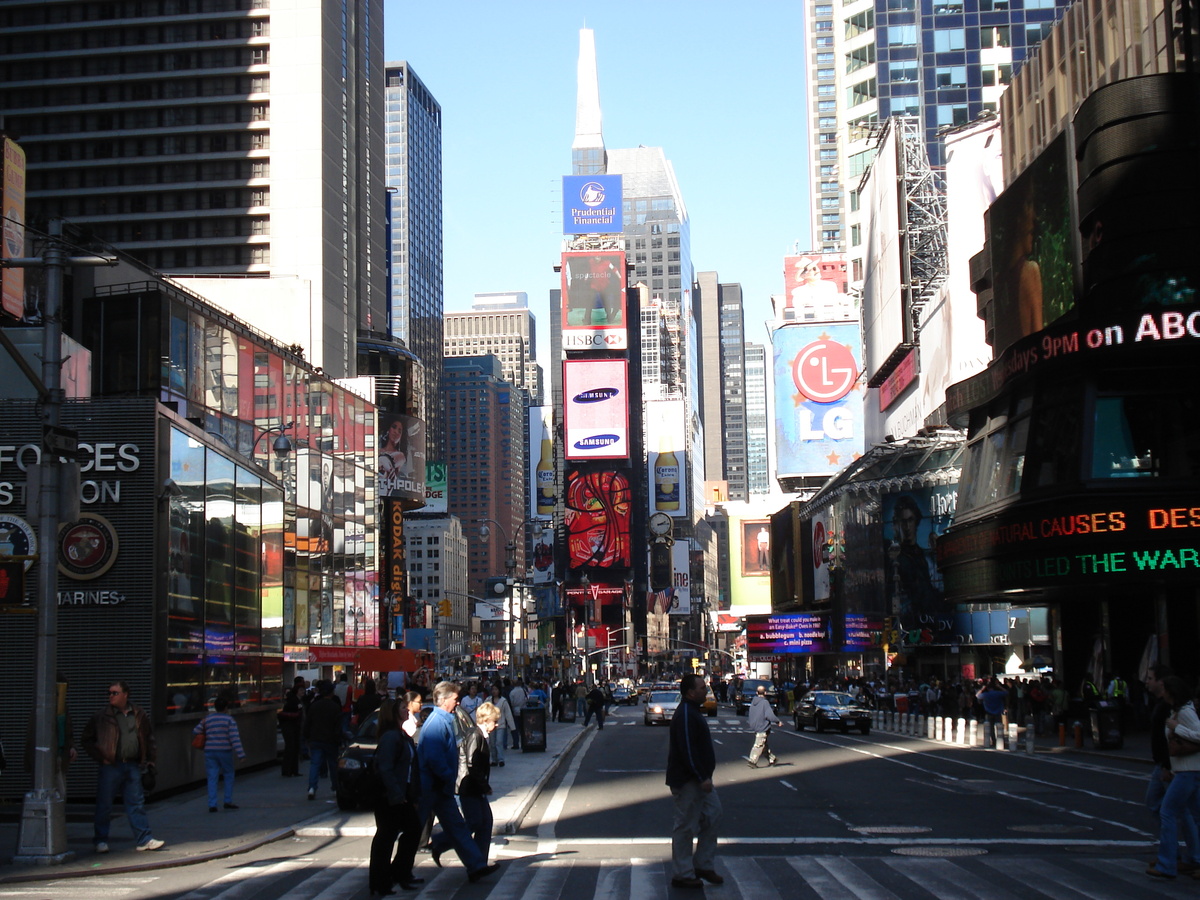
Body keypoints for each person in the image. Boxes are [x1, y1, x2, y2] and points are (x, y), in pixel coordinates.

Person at [416, 682, 499, 884]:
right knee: (415, 829)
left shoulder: (445, 720)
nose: (458, 702)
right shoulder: (437, 723)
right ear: (444, 700)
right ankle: (400, 868)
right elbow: (434, 758)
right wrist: (447, 776)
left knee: (458, 827)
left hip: (441, 787)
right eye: (454, 699)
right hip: (433, 786)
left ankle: (476, 865)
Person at [81, 681, 165, 853]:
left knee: (136, 803)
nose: (111, 696)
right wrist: (100, 757)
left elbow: (148, 737)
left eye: (115, 693)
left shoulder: (138, 714)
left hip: (132, 763)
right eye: (109, 692)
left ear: (125, 694)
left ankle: (144, 839)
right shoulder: (102, 716)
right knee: (105, 804)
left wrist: (150, 759)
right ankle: (101, 840)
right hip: (111, 764)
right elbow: (87, 739)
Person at [665, 673, 723, 889]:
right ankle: (682, 873)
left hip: (701, 779)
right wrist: (701, 777)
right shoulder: (687, 715)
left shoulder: (692, 712)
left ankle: (703, 865)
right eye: (701, 688)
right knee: (686, 826)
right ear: (690, 692)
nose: (705, 691)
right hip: (689, 780)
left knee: (713, 815)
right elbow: (687, 749)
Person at [369, 696, 423, 895]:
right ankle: (380, 881)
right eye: (402, 707)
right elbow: (385, 768)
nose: (406, 709)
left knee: (412, 831)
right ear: (393, 713)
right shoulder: (391, 737)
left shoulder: (401, 735)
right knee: (386, 837)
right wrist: (396, 793)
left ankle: (400, 873)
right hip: (390, 797)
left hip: (403, 794)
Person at [1147, 675, 1200, 879]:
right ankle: (1192, 859)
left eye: (1165, 688)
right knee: (1193, 816)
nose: (1163, 691)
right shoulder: (1178, 711)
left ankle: (1167, 864)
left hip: (1187, 771)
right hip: (1188, 770)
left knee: (1167, 812)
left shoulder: (1185, 712)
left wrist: (1176, 727)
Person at [445, 700, 499, 869]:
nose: (496, 725)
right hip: (470, 787)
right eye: (494, 721)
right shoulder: (475, 735)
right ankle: (445, 843)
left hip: (475, 787)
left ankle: (479, 862)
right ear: (486, 720)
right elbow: (471, 763)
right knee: (475, 823)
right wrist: (485, 786)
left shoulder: (480, 735)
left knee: (485, 823)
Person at [193, 695, 246, 812]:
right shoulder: (229, 720)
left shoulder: (207, 719)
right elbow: (234, 738)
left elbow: (196, 730)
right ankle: (227, 800)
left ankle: (212, 803)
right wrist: (240, 754)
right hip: (225, 751)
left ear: (215, 707)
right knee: (228, 775)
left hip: (210, 751)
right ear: (226, 707)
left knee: (212, 777)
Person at [304, 680, 344, 801]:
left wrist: (307, 737)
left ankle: (312, 788)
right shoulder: (335, 707)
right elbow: (338, 726)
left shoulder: (314, 706)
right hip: (330, 740)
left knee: (315, 764)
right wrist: (339, 740)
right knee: (333, 765)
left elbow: (308, 723)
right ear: (331, 693)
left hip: (316, 738)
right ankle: (336, 788)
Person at [746, 684, 780, 768]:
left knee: (763, 744)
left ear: (756, 693)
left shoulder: (753, 702)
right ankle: (752, 761)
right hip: (762, 726)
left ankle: (772, 759)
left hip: (755, 726)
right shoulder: (765, 702)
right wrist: (777, 721)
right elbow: (769, 715)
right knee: (759, 745)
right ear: (765, 692)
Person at [278, 677, 306, 777]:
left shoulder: (294, 700)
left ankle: (291, 770)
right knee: (291, 747)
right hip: (291, 726)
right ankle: (289, 770)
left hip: (292, 725)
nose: (303, 692)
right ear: (297, 691)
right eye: (301, 690)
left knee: (293, 747)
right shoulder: (294, 701)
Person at [487, 684, 515, 767]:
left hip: (501, 725)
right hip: (490, 725)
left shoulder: (503, 701)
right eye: (493, 689)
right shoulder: (488, 700)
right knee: (492, 743)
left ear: (499, 690)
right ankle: (494, 760)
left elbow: (508, 714)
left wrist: (512, 726)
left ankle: (501, 759)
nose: (494, 691)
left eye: (496, 689)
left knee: (499, 742)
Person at [977, 678, 1008, 748]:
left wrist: (982, 688)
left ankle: (994, 741)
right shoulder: (997, 693)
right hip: (998, 711)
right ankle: (1000, 740)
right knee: (999, 727)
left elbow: (977, 695)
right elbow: (1006, 692)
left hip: (989, 712)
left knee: (991, 728)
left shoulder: (986, 694)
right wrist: (999, 686)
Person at [507, 680, 526, 750]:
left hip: (515, 711)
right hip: (523, 710)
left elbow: (511, 702)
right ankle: (524, 741)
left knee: (514, 728)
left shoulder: (512, 692)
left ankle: (516, 743)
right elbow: (526, 699)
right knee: (523, 728)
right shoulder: (523, 691)